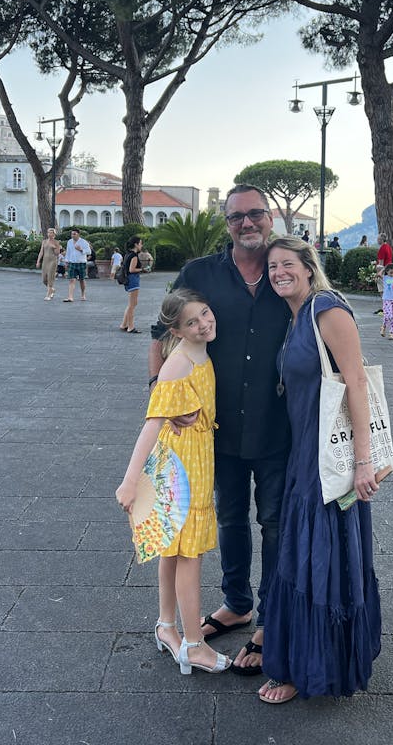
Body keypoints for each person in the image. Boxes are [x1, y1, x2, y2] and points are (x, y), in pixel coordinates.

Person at [148, 184, 290, 677]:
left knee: (273, 524)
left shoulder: (286, 271)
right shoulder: (200, 275)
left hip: (278, 430)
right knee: (229, 519)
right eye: (237, 217)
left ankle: (269, 621)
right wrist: (161, 392)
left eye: (255, 214)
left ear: (270, 218)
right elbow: (160, 334)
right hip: (216, 433)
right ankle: (237, 603)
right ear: (225, 222)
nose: (247, 223)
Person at [258, 236, 381, 704]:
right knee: (309, 557)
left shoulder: (327, 309)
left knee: (316, 559)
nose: (278, 273)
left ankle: (310, 667)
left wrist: (364, 460)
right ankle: (308, 661)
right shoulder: (294, 318)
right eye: (272, 267)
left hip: (330, 459)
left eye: (287, 264)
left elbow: (358, 382)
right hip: (303, 456)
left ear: (309, 268)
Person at [116, 289, 231, 676]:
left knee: (172, 548)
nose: (203, 324)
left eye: (205, 314)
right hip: (182, 465)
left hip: (191, 456)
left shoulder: (198, 350)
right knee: (188, 556)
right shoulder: (179, 362)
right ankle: (194, 645)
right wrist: (130, 482)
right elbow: (153, 423)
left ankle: (167, 627)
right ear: (176, 330)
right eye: (192, 323)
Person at [119, 236, 144, 332]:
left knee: (132, 303)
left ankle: (124, 324)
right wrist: (142, 269)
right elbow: (132, 269)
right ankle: (131, 326)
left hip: (129, 280)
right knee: (132, 305)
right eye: (140, 243)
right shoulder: (134, 256)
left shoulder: (127, 254)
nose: (141, 245)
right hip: (133, 280)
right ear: (136, 244)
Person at [62, 228, 92, 302]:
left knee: (82, 279)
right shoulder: (69, 242)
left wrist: (81, 249)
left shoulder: (83, 242)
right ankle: (70, 297)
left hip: (81, 262)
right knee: (72, 279)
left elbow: (89, 252)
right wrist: (66, 261)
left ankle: (83, 294)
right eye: (72, 234)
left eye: (74, 234)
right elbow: (68, 252)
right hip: (72, 262)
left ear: (78, 234)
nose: (73, 235)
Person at [35, 227, 62, 300]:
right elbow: (41, 252)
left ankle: (48, 295)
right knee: (44, 279)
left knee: (50, 277)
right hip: (45, 261)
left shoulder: (56, 242)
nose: (49, 234)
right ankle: (52, 289)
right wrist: (38, 261)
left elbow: (57, 253)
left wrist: (54, 247)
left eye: (51, 232)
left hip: (53, 261)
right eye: (48, 232)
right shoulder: (44, 241)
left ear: (54, 234)